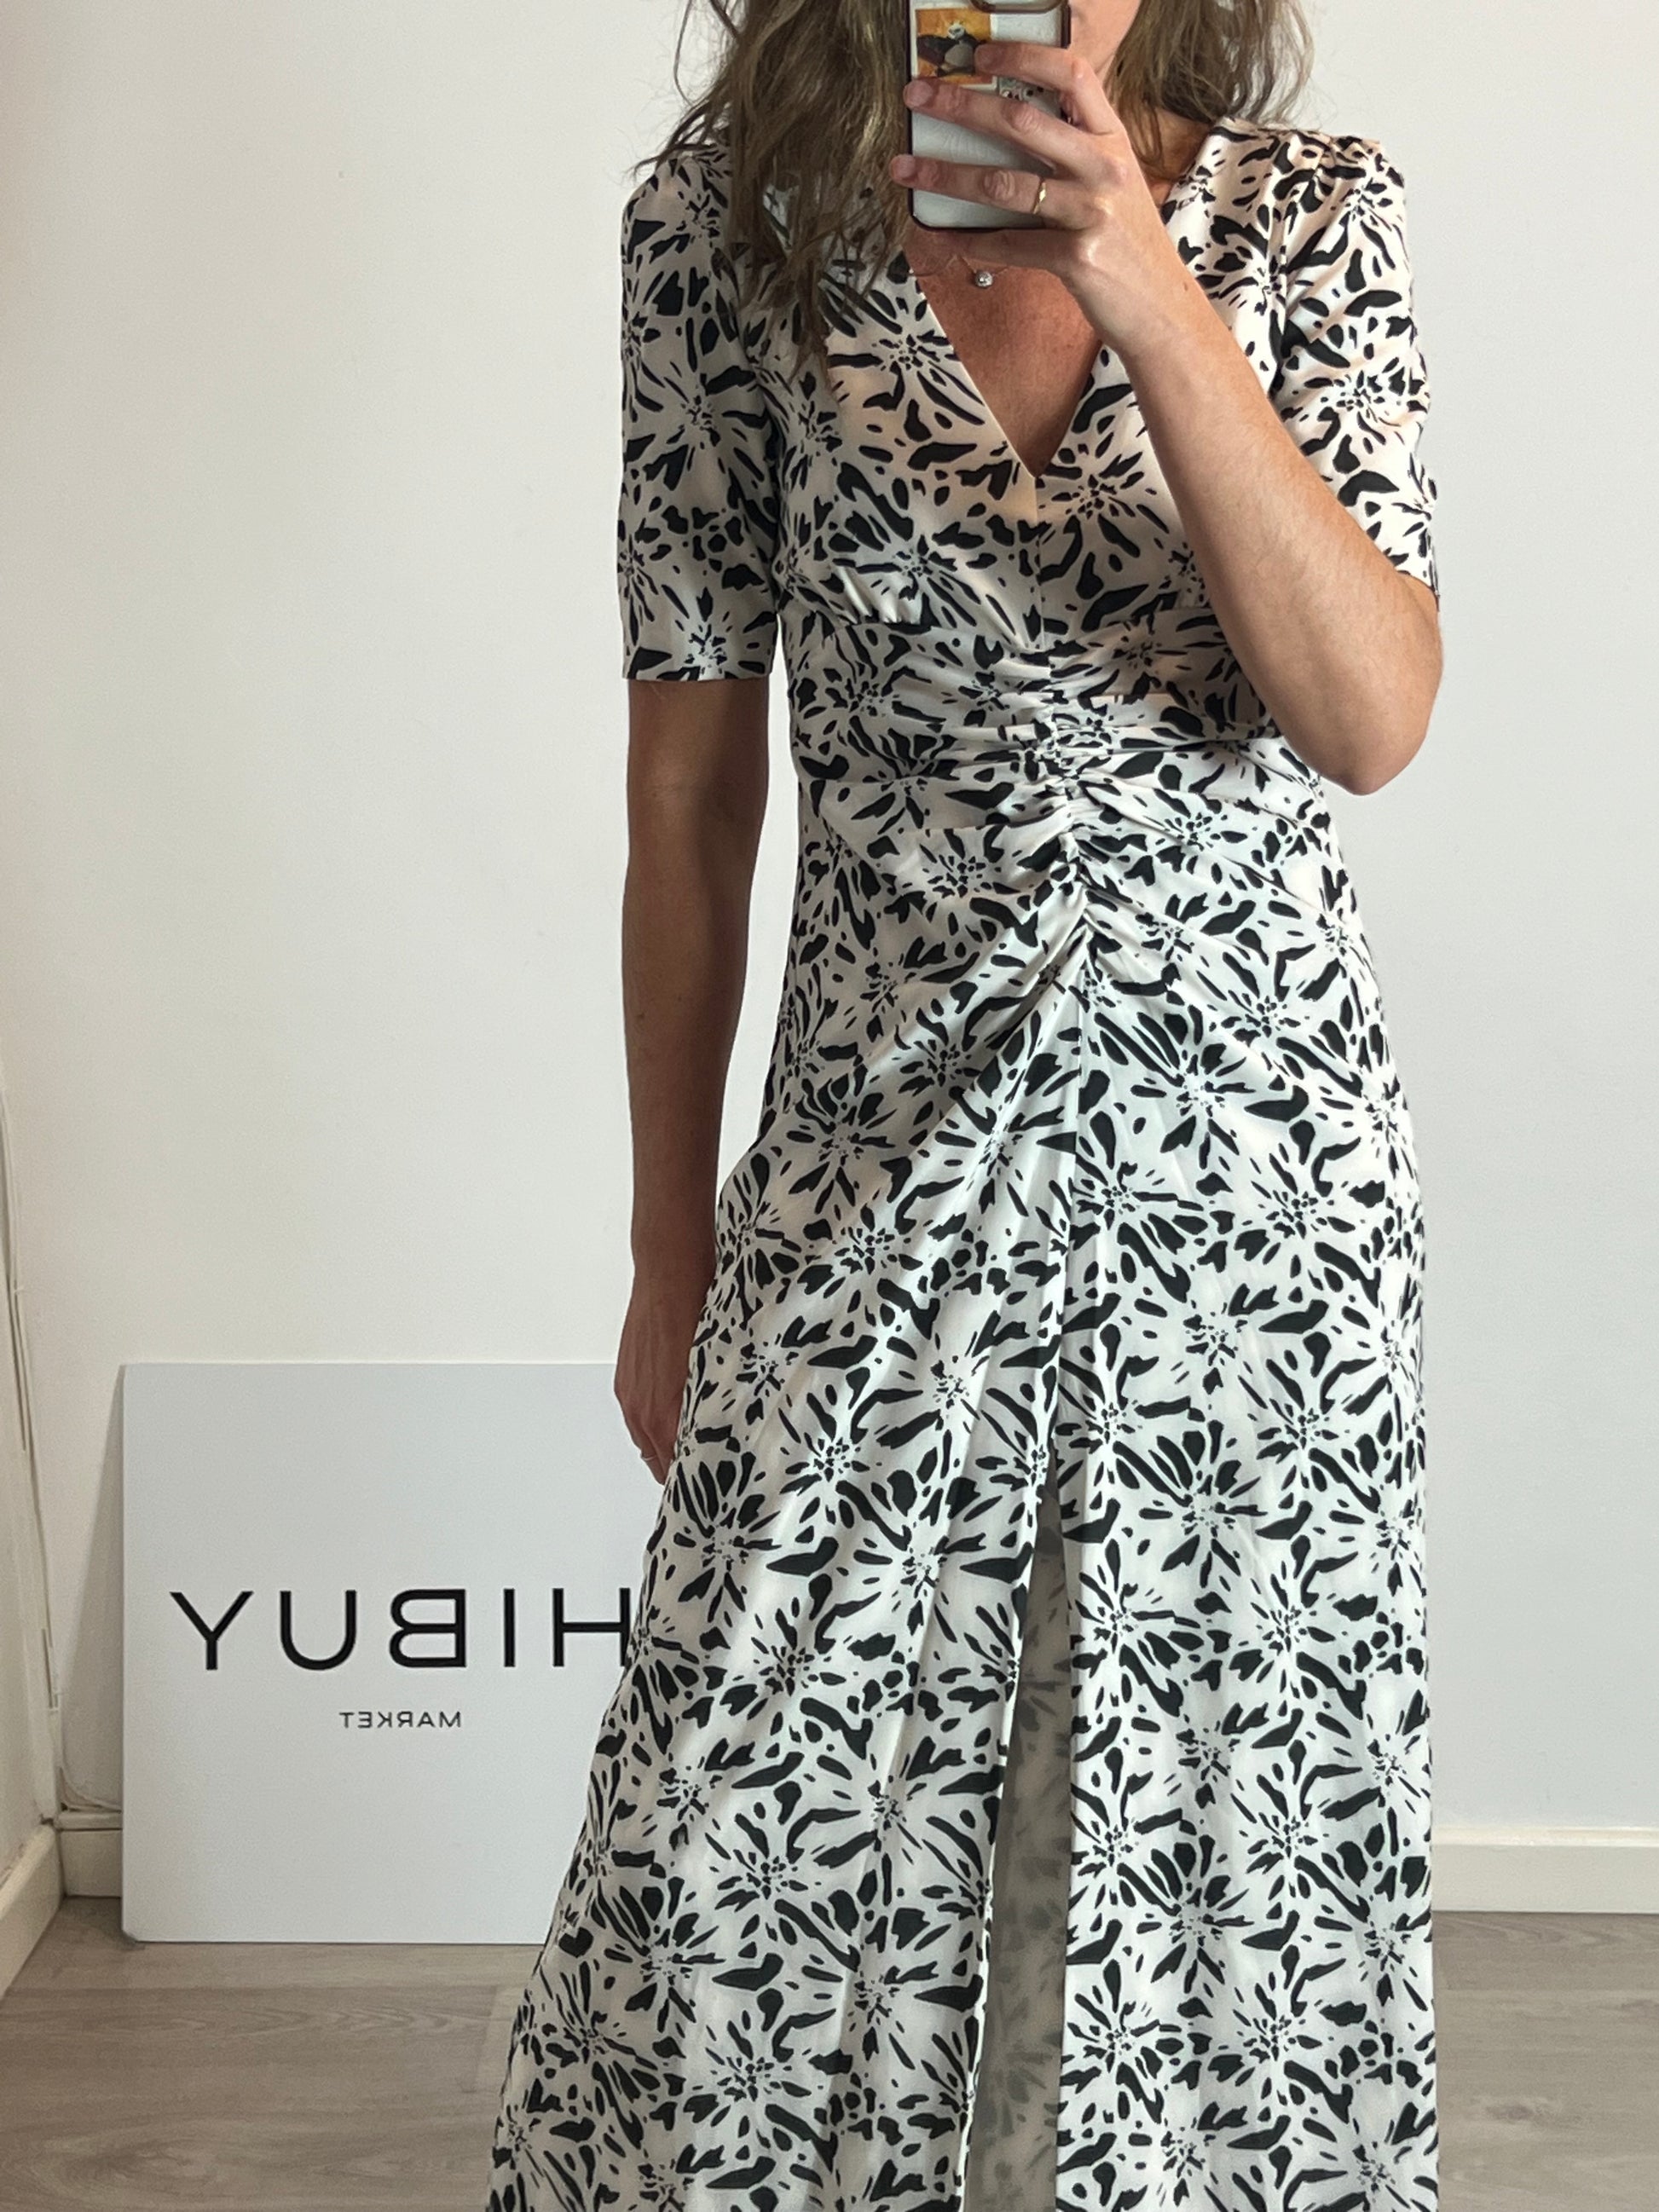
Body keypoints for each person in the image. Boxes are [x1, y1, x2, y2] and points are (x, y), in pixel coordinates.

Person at [488, 0, 1442, 2203]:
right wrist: (668, 1246)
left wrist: (1147, 286)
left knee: (1213, 1853)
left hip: (1250, 1187)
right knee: (732, 1832)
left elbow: (1368, 716)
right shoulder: (727, 230)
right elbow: (688, 787)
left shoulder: (1313, 221)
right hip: (874, 1142)